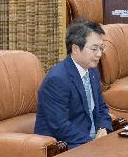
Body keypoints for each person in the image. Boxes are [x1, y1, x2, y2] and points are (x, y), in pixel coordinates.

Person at [35, 20, 114, 148]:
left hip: (92, 142)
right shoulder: (57, 79)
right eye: (94, 49)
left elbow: (102, 107)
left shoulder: (92, 71)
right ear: (76, 49)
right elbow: (60, 126)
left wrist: (103, 128)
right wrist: (92, 143)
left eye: (101, 48)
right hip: (67, 146)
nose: (99, 54)